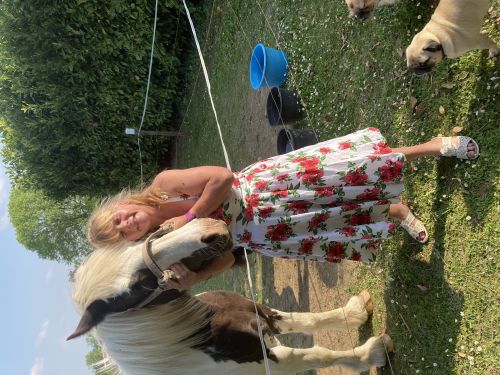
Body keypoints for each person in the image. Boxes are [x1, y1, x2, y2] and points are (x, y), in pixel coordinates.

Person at [87, 128, 479, 290]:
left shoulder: (163, 187)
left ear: (121, 205)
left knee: (354, 170)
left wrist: (189, 218)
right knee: (341, 218)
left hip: (270, 188)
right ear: (132, 240)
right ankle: (394, 212)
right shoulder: (164, 244)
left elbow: (222, 178)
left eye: (118, 219)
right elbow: (228, 257)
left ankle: (434, 145)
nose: (127, 224)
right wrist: (194, 277)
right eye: (123, 233)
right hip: (273, 234)